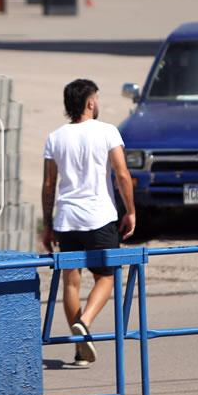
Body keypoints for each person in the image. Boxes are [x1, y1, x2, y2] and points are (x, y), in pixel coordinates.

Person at [41, 79, 136, 366]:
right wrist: (130, 210)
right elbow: (122, 175)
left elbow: (49, 185)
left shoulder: (55, 137)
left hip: (67, 218)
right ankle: (85, 322)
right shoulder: (107, 131)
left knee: (71, 282)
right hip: (99, 217)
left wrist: (48, 224)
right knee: (106, 276)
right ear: (90, 102)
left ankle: (80, 348)